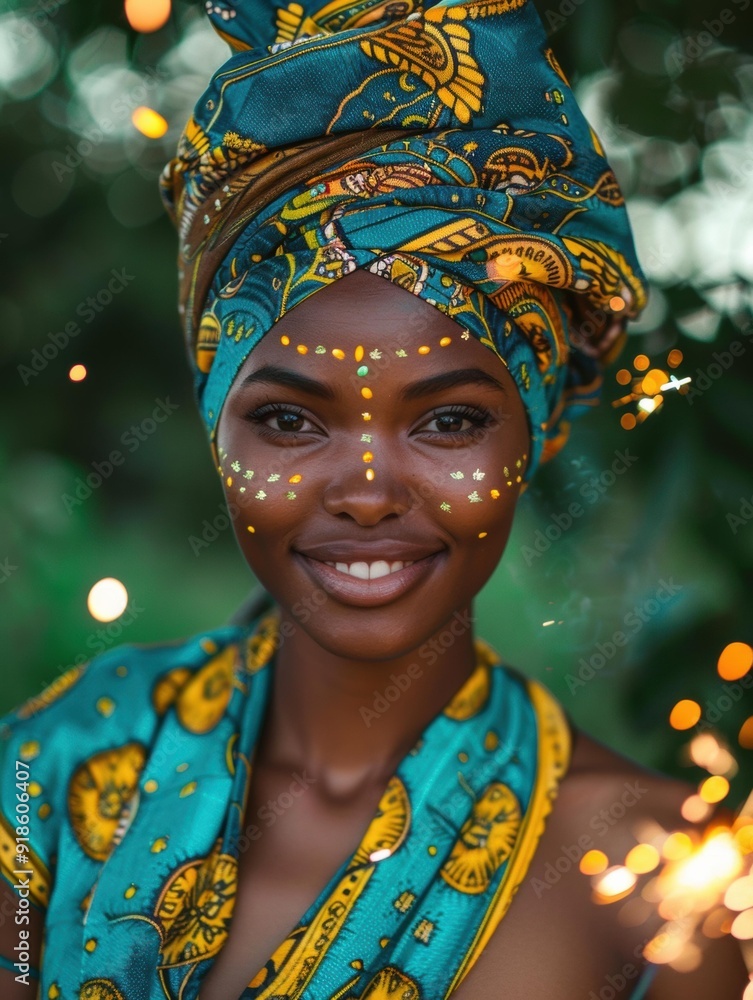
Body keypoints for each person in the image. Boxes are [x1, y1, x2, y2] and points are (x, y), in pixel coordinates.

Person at [1, 0, 749, 997]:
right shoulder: (46, 772)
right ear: (215, 426)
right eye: (288, 421)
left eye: (447, 422)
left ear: (535, 433)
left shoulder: (655, 879)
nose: (363, 492)